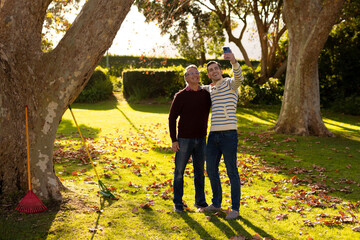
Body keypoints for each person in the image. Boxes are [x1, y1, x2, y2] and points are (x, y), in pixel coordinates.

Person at [201, 49, 244, 220]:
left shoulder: (230, 84)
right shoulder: (209, 89)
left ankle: (235, 208)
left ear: (220, 70)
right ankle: (216, 203)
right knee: (211, 169)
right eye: (210, 70)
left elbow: (239, 78)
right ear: (209, 74)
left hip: (229, 135)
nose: (214, 71)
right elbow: (195, 87)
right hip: (213, 136)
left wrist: (234, 61)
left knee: (231, 170)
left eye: (215, 68)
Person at [168, 65, 212, 212]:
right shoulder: (180, 96)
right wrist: (174, 140)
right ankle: (178, 204)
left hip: (201, 139)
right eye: (191, 73)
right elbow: (172, 118)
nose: (195, 75)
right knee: (179, 172)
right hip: (184, 140)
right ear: (186, 78)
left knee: (200, 172)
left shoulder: (206, 95)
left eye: (197, 73)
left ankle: (200, 202)